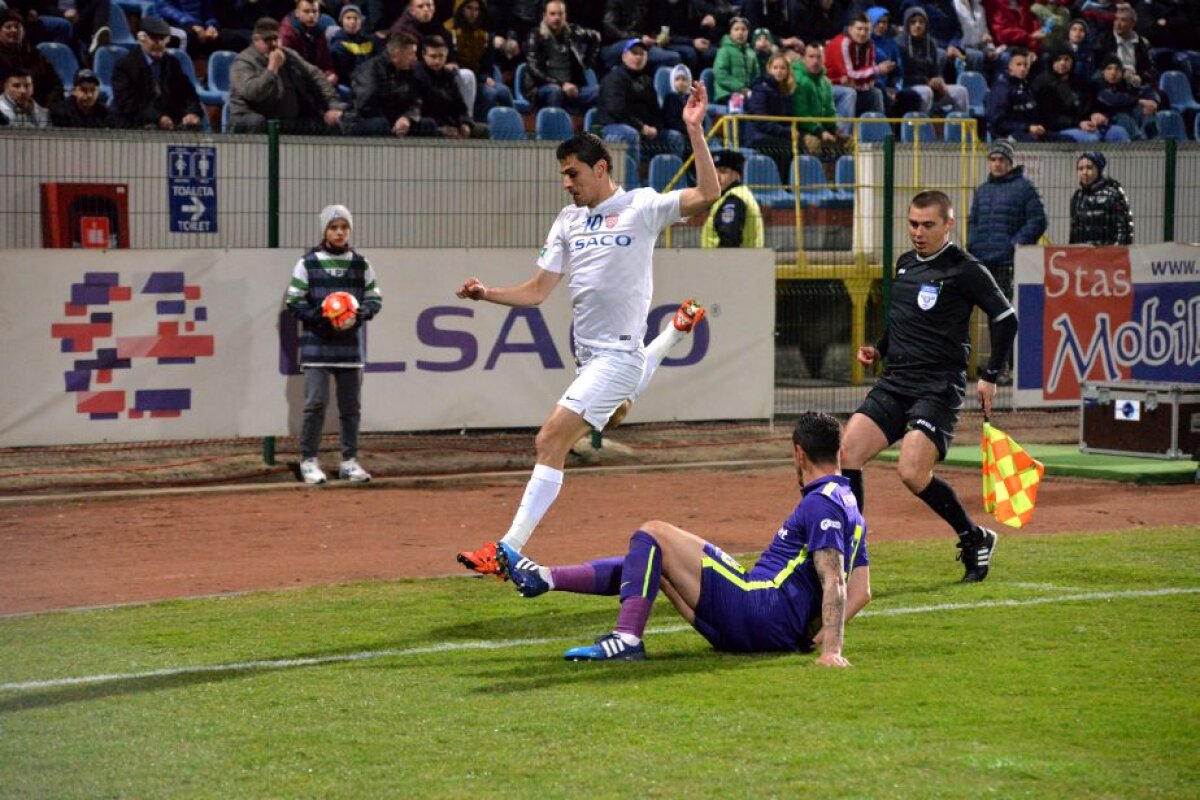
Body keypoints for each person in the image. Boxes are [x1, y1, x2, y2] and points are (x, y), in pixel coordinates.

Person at [453, 84, 720, 577]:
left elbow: (708, 194)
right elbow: (537, 291)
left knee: (550, 438)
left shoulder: (641, 206)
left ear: (600, 169)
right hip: (591, 356)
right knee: (614, 414)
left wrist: (694, 129)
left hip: (616, 356)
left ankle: (508, 549)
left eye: (572, 174)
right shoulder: (568, 220)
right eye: (562, 176)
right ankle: (672, 335)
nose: (566, 184)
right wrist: (486, 292)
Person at [497, 411, 870, 666]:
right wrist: (811, 637)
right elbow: (861, 591)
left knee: (653, 533)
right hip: (769, 626)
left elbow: (834, 579)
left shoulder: (820, 504)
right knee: (652, 565)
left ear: (799, 453)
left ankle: (627, 639)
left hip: (757, 607)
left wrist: (831, 648)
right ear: (838, 451)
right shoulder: (851, 506)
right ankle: (545, 578)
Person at [841, 190, 1016, 583]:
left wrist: (991, 375)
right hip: (896, 382)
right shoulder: (905, 264)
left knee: (911, 471)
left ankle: (974, 537)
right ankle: (850, 550)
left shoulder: (965, 268)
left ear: (949, 224)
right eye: (913, 224)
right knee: (847, 452)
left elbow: (1006, 318)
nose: (918, 232)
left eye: (928, 225)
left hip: (937, 387)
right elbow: (902, 321)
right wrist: (879, 348)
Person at [285, 204, 383, 486]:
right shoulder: (307, 263)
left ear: (349, 230)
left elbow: (374, 298)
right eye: (333, 227)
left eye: (343, 227)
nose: (339, 233)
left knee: (350, 407)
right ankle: (309, 461)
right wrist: (320, 316)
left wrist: (361, 313)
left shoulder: (361, 264)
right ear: (325, 231)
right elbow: (295, 301)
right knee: (315, 404)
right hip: (316, 347)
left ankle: (349, 462)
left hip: (350, 350)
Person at [228, 17, 345, 134]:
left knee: (332, 123)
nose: (273, 44)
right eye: (268, 40)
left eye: (276, 38)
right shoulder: (243, 62)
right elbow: (253, 93)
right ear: (256, 40)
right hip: (252, 119)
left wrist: (333, 105)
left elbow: (316, 76)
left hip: (287, 121)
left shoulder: (289, 55)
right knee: (257, 122)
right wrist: (272, 69)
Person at [966, 140, 1046, 301]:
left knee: (1007, 307)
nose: (997, 164)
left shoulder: (1024, 188)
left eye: (1001, 160)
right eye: (993, 159)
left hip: (1008, 261)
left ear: (1009, 162)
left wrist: (1017, 243)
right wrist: (973, 243)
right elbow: (973, 221)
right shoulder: (983, 190)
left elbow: (1038, 220)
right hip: (983, 259)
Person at [595, 39, 683, 163]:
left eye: (642, 54)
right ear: (624, 56)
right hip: (612, 127)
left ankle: (672, 180)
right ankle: (632, 181)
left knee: (674, 137)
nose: (638, 57)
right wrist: (641, 127)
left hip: (643, 131)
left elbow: (655, 110)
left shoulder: (646, 80)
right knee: (630, 134)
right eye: (634, 53)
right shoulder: (613, 78)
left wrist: (656, 128)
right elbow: (617, 110)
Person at [111, 16, 203, 130]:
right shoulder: (125, 65)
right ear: (141, 38)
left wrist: (192, 113)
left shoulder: (172, 63)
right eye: (154, 39)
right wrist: (157, 117)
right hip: (137, 125)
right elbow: (128, 103)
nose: (159, 43)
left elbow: (188, 94)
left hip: (169, 125)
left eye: (163, 39)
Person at [1033, 44, 1129, 142]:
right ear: (1052, 62)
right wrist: (1078, 123)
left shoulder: (1079, 81)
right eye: (1058, 59)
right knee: (1092, 139)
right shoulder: (1043, 83)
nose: (1062, 63)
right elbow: (1050, 118)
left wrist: (1094, 115)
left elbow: (1090, 104)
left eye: (1066, 59)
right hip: (1061, 129)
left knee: (1119, 132)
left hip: (1087, 125)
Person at [522, 0, 600, 113]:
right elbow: (534, 70)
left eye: (560, 14)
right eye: (552, 14)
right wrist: (561, 84)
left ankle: (587, 128)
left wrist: (587, 62)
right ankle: (554, 127)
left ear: (565, 15)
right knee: (555, 91)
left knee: (600, 91)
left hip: (572, 87)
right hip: (543, 87)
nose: (557, 18)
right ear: (545, 16)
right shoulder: (535, 35)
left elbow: (596, 36)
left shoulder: (573, 31)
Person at [352, 32, 436, 137]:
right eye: (411, 53)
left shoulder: (410, 70)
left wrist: (406, 118)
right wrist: (395, 120)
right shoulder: (369, 70)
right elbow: (366, 106)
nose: (415, 58)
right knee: (381, 124)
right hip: (365, 120)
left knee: (428, 124)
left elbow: (416, 101)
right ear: (396, 54)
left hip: (397, 119)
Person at [895, 6, 970, 115]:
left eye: (921, 22)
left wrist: (939, 81)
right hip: (908, 88)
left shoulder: (931, 43)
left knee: (960, 92)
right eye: (913, 22)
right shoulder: (899, 45)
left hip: (929, 85)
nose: (918, 25)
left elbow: (935, 71)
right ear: (907, 24)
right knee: (926, 92)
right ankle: (921, 129)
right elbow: (901, 76)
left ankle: (959, 130)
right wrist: (926, 82)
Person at [985, 46, 1065, 141]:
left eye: (1026, 65)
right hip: (1009, 137)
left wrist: (1037, 128)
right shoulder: (1001, 89)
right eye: (1018, 64)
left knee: (1068, 141)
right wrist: (1027, 127)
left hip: (1031, 133)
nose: (1023, 68)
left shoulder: (1027, 87)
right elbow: (998, 123)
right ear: (1010, 66)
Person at [414, 34, 485, 137]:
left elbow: (460, 106)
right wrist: (443, 127)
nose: (437, 61)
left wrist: (464, 123)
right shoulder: (417, 73)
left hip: (452, 123)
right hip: (431, 124)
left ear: (446, 54)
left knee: (483, 130)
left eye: (441, 56)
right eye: (433, 56)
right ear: (424, 55)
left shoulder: (448, 76)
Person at [825, 12, 891, 118]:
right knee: (849, 93)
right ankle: (844, 133)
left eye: (866, 30)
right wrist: (877, 70)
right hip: (831, 87)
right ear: (850, 29)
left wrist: (860, 85)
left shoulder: (870, 45)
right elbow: (849, 74)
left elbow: (869, 78)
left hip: (854, 87)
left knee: (876, 93)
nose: (863, 33)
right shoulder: (842, 43)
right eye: (859, 29)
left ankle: (879, 132)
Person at [792, 42, 849, 156]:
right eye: (811, 56)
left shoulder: (825, 82)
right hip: (801, 129)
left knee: (849, 143)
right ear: (803, 58)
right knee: (814, 144)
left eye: (819, 57)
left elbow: (830, 110)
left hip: (821, 128)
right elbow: (801, 114)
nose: (815, 61)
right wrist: (820, 131)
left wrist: (834, 128)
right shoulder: (798, 81)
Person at [0, 11, 64, 109]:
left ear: (23, 32)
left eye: (17, 27)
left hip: (37, 109)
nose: (13, 30)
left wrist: (47, 106)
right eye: (8, 27)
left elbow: (56, 84)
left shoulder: (35, 55)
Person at [700, 149, 764, 249]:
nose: (716, 177)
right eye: (713, 171)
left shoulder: (734, 200)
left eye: (723, 171)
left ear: (737, 175)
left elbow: (729, 240)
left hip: (724, 263)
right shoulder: (740, 194)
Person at [1069, 150, 1132, 245]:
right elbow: (1074, 233)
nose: (1084, 172)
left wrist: (1116, 255)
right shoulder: (1077, 197)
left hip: (1108, 257)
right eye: (1080, 169)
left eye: (1089, 168)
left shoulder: (1113, 195)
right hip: (1082, 256)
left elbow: (1124, 231)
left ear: (1099, 170)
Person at [156, 0, 250, 58]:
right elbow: (164, 7)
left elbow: (209, 12)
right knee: (189, 36)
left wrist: (211, 26)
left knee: (235, 39)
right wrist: (191, 24)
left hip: (201, 27)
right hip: (175, 24)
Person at [280, 0, 338, 85]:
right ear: (297, 13)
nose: (311, 15)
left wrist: (331, 74)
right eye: (306, 11)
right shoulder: (287, 35)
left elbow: (326, 63)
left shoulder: (319, 30)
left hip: (316, 79)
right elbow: (290, 70)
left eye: (315, 11)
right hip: (296, 84)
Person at [712, 15, 757, 104]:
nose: (740, 32)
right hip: (726, 94)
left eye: (743, 29)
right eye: (736, 29)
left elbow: (756, 76)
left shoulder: (752, 53)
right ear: (730, 32)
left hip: (747, 94)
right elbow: (720, 74)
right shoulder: (724, 51)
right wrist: (741, 88)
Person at [330, 4, 376, 88]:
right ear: (341, 21)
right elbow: (346, 73)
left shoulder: (369, 41)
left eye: (356, 18)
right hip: (351, 86)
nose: (352, 21)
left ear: (361, 21)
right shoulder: (337, 45)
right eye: (348, 18)